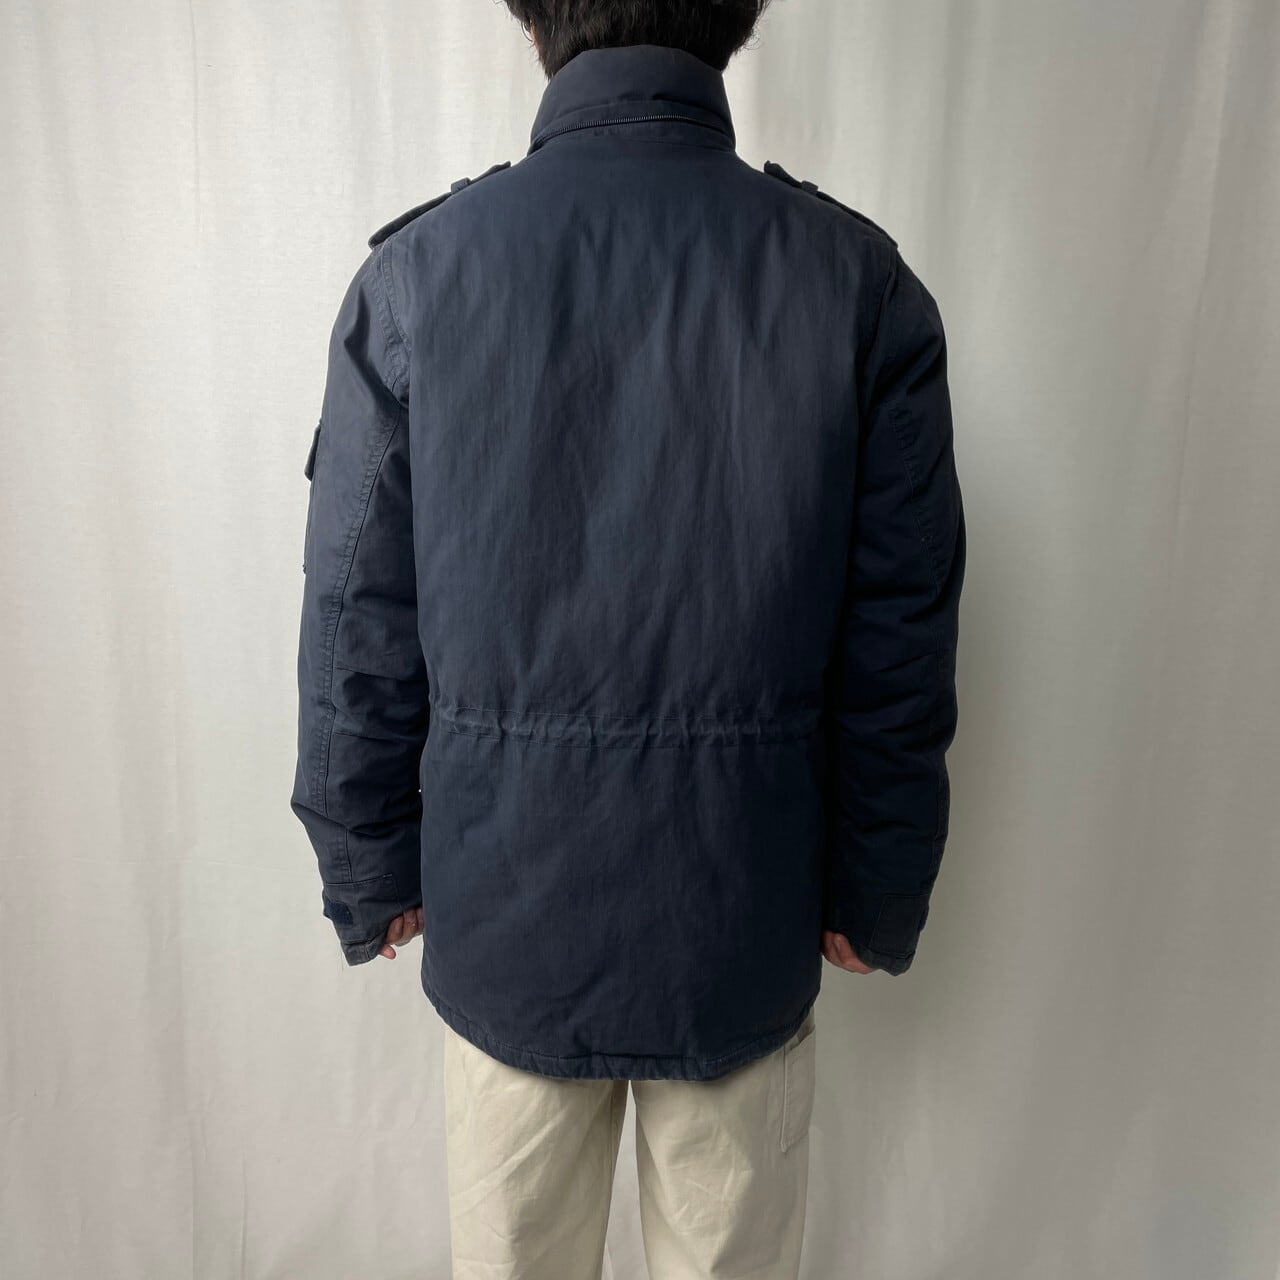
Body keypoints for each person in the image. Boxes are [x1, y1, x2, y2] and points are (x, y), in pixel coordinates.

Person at [290, 2, 966, 1275]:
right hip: (740, 911)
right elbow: (899, 634)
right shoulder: (856, 284)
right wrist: (875, 883)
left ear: (529, 17)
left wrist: (365, 853)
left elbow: (353, 610)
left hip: (508, 911)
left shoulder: (420, 277)